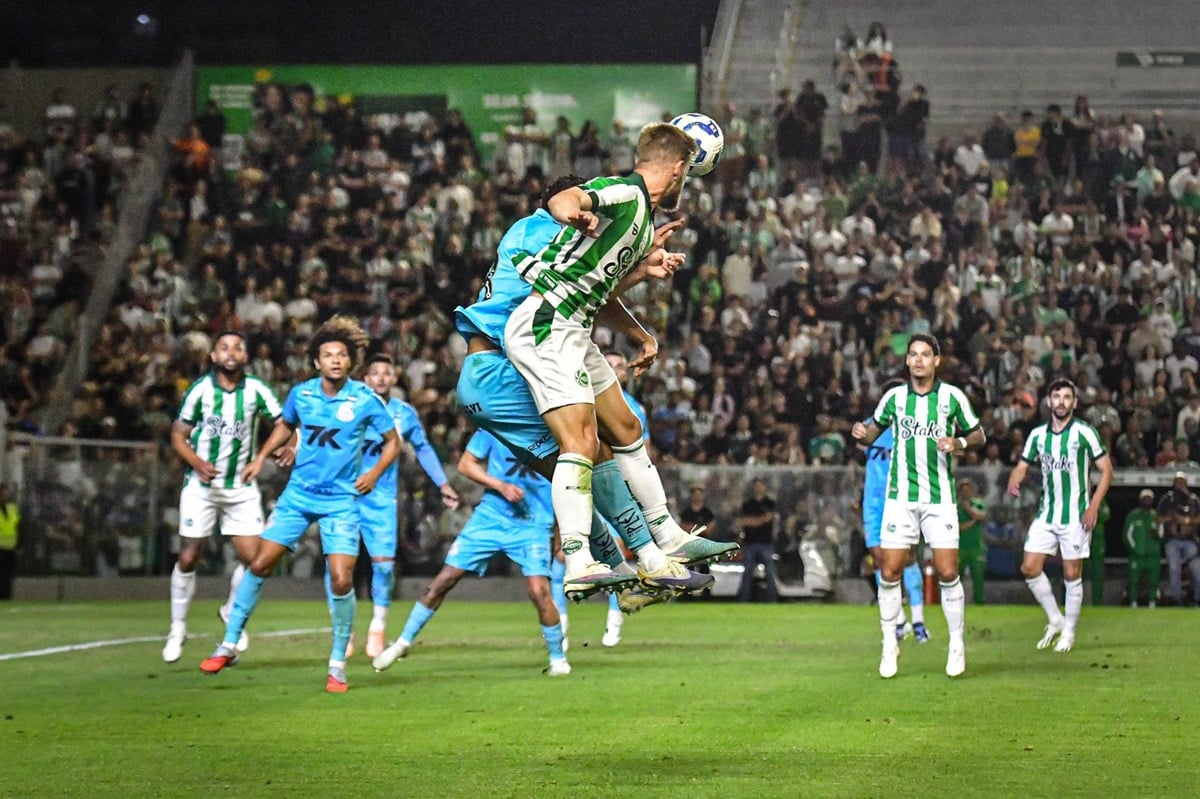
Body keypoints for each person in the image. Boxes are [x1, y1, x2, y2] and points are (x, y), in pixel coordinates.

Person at [456, 173, 732, 596]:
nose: (593, 216)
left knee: (582, 463)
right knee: (587, 450)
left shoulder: (559, 241)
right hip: (496, 369)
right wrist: (635, 265)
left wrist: (638, 271)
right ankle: (648, 560)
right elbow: (569, 294)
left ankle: (627, 570)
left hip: (493, 373)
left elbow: (586, 294)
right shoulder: (537, 230)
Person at [200, 316, 400, 692]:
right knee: (259, 563)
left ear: (349, 362)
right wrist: (263, 456)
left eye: (341, 355)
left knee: (342, 580)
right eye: (328, 355)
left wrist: (373, 475)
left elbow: (393, 441)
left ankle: (337, 664)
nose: (335, 361)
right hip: (299, 497)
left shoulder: (363, 399)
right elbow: (285, 425)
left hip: (341, 501)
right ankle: (228, 644)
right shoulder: (302, 394)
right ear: (316, 363)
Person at [372, 429, 568, 676]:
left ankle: (558, 661)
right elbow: (466, 465)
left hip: (533, 524)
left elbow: (567, 483)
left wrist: (562, 530)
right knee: (445, 579)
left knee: (539, 591)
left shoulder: (553, 431)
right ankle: (403, 642)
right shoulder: (495, 424)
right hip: (489, 518)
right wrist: (499, 485)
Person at [851, 334, 986, 678]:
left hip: (939, 498)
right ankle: (888, 644)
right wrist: (860, 432)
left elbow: (978, 435)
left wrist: (957, 441)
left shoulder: (952, 397)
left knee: (947, 571)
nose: (919, 360)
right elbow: (872, 433)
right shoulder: (894, 398)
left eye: (926, 354)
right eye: (913, 355)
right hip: (900, 498)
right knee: (890, 570)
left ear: (936, 360)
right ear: (908, 361)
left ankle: (956, 643)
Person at [162, 331, 283, 663]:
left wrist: (265, 456)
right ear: (213, 356)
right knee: (188, 558)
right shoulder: (200, 390)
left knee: (257, 562)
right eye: (224, 348)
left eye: (237, 348)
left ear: (245, 357)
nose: (231, 353)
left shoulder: (257, 390)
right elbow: (178, 434)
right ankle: (177, 628)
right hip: (201, 488)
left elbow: (283, 423)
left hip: (240, 488)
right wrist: (197, 462)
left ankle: (231, 612)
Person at [356, 353, 461, 660]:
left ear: (394, 378)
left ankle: (378, 626)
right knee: (341, 566)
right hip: (346, 495)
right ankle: (345, 631)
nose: (381, 378)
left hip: (383, 498)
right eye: (374, 372)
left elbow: (424, 448)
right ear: (365, 378)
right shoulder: (352, 407)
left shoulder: (403, 413)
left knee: (385, 567)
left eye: (386, 373)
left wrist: (443, 484)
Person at [1007, 378, 1113, 653]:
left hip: (1076, 515)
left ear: (1074, 403)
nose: (1062, 402)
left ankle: (1069, 631)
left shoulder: (1084, 433)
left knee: (1071, 573)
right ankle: (1055, 619)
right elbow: (1023, 464)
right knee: (1029, 567)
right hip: (1047, 513)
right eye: (1057, 397)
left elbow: (1106, 470)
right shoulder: (1038, 435)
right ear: (1049, 402)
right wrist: (1014, 479)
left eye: (1067, 397)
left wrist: (1093, 506)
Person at [859, 382, 930, 641]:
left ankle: (919, 620)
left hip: (900, 499)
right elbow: (859, 444)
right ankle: (899, 621)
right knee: (879, 560)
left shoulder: (913, 427)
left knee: (907, 558)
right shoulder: (872, 425)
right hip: (873, 503)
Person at [1156, 472, 1200, 606]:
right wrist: (1171, 518)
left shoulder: (1193, 499)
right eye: (1177, 481)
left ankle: (1197, 599)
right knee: (1174, 568)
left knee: (1196, 568)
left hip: (1190, 540)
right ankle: (1177, 599)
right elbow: (1158, 518)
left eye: (1182, 481)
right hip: (1172, 540)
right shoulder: (1167, 499)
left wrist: (1185, 520)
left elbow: (1198, 518)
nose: (1179, 483)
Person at [737, 477, 777, 602]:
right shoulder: (748, 504)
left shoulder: (770, 503)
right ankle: (744, 599)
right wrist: (761, 520)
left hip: (766, 543)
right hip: (750, 543)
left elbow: (770, 518)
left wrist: (753, 521)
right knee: (747, 572)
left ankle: (772, 599)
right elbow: (744, 522)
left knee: (770, 573)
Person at [1125, 489, 1161, 607]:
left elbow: (1162, 534)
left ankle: (1152, 603)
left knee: (1153, 581)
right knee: (1134, 581)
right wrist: (1134, 548)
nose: (1147, 501)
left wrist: (1157, 535)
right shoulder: (1133, 516)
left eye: (1149, 498)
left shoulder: (1156, 516)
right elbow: (1127, 535)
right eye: (1145, 498)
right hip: (1137, 554)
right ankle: (1133, 603)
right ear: (1140, 500)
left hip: (1153, 555)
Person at [957, 478, 988, 605]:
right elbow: (955, 526)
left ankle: (979, 601)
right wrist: (970, 523)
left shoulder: (979, 503)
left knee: (978, 575)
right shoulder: (955, 505)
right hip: (960, 547)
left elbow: (981, 516)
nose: (966, 491)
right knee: (957, 576)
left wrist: (968, 509)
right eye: (963, 489)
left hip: (976, 546)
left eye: (968, 489)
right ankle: (955, 600)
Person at [1086, 495, 1110, 606]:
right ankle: (1074, 602)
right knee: (1074, 572)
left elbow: (1106, 515)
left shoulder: (1099, 499)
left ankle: (1097, 603)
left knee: (1097, 575)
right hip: (1081, 540)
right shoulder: (1077, 496)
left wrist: (1092, 512)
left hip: (1097, 542)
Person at [0, 484, 18, 600]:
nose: (5, 495)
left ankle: (7, 596)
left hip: (11, 547)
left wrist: (19, 544)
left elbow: (19, 527)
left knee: (8, 574)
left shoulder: (12, 509)